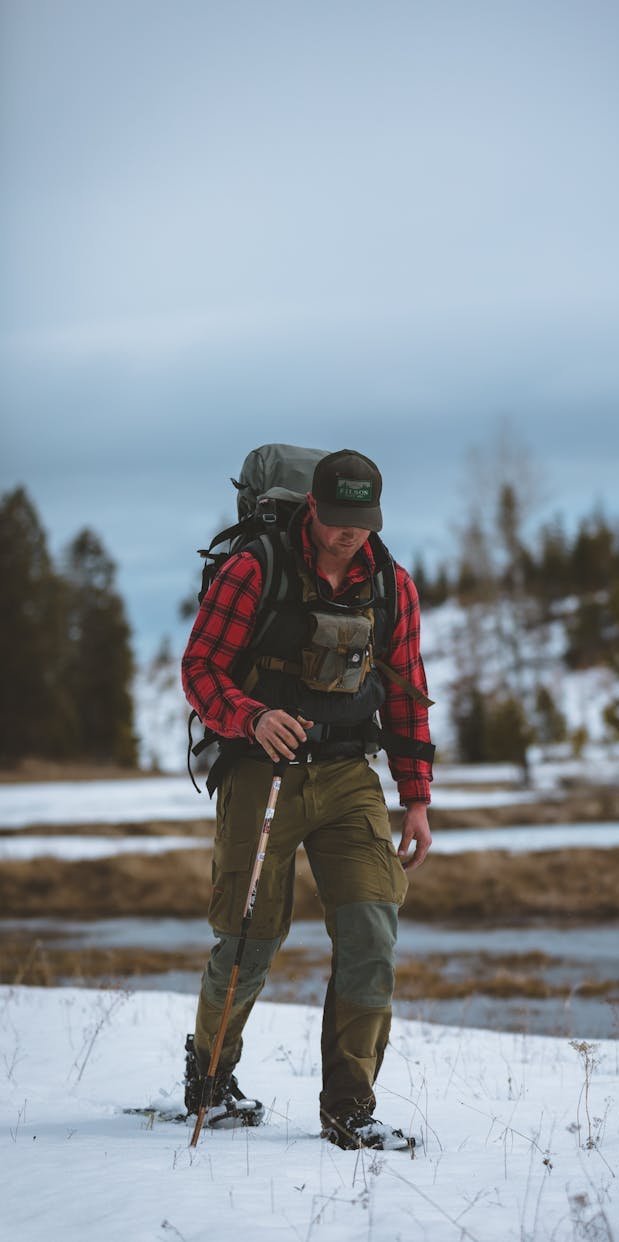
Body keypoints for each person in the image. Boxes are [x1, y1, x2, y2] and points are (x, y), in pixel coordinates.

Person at [181, 449, 434, 1150]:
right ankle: (209, 1078)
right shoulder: (254, 568)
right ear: (313, 508)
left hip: (351, 773)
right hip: (263, 767)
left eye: (366, 521)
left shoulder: (391, 584)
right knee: (247, 939)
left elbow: (408, 691)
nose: (353, 534)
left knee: (371, 931)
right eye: (341, 519)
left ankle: (350, 1107)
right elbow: (199, 667)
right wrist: (251, 717)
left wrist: (416, 798)